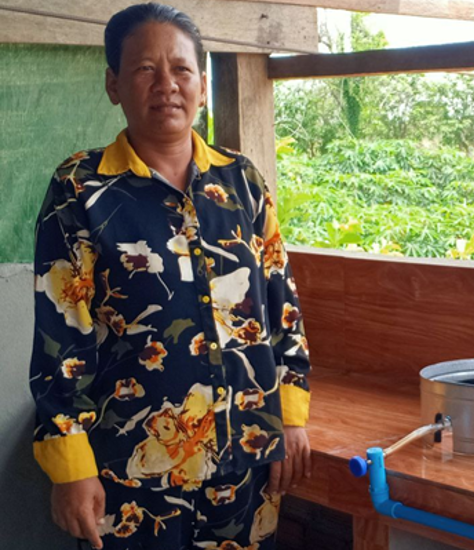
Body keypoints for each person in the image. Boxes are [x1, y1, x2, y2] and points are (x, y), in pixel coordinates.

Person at [29, 4, 311, 549]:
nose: (166, 85)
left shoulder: (241, 182)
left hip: (245, 460)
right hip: (131, 473)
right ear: (113, 84)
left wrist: (292, 416)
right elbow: (61, 337)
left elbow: (283, 307)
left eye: (181, 70)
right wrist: (70, 465)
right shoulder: (81, 189)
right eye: (144, 70)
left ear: (203, 86)